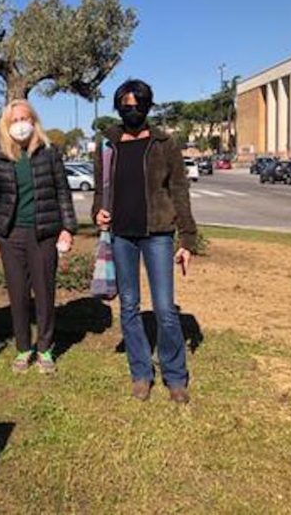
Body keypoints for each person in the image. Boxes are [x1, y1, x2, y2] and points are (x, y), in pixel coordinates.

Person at [92, 79, 197, 404]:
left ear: (148, 106)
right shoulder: (108, 144)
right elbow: (100, 188)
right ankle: (141, 373)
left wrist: (187, 238)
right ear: (118, 107)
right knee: (130, 306)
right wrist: (99, 211)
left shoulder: (165, 142)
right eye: (125, 104)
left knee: (165, 309)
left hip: (159, 235)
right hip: (121, 234)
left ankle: (175, 376)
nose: (132, 109)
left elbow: (179, 190)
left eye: (138, 104)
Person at [0, 99, 77, 374]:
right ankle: (24, 348)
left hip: (43, 233)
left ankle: (45, 348)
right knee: (18, 294)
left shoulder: (49, 153)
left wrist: (67, 228)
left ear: (34, 121)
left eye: (25, 118)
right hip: (11, 235)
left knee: (45, 292)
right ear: (6, 125)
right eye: (14, 120)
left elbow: (63, 191)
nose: (20, 125)